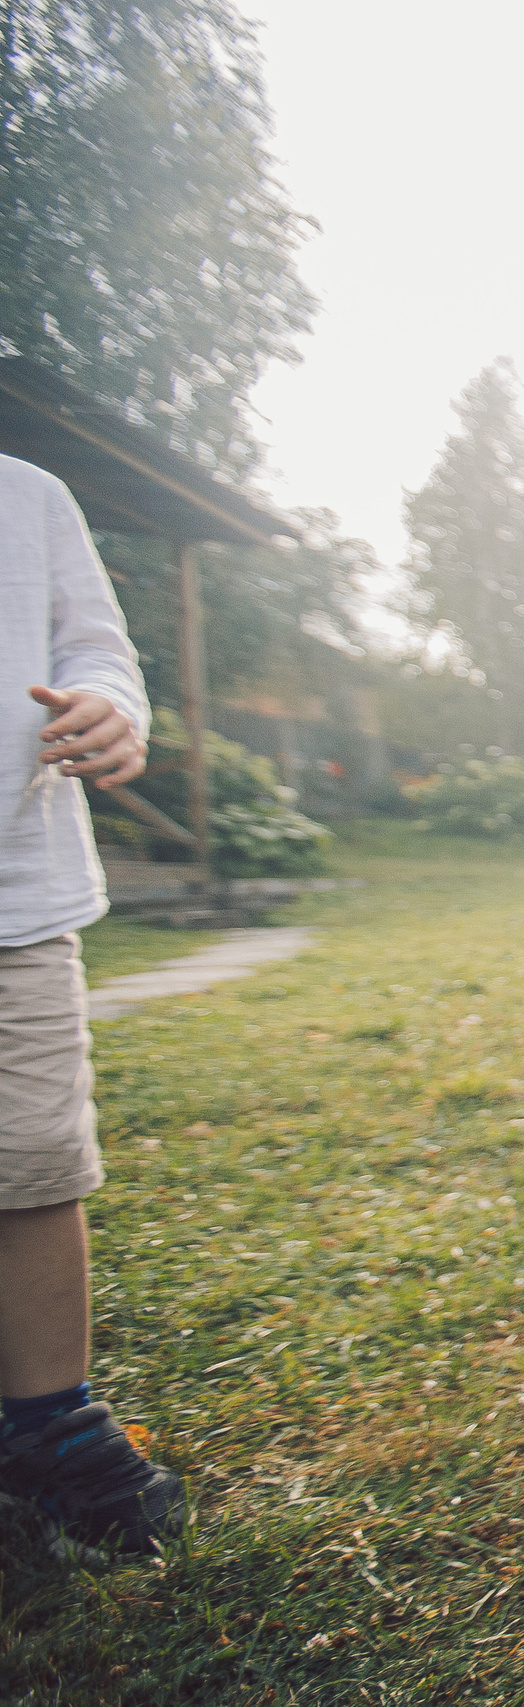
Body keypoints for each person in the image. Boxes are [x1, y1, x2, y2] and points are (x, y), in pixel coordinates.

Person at [0, 454, 185, 1559]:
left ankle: (47, 1420)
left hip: (15, 902)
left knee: (33, 1164)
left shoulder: (29, 496)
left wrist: (111, 707)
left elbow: (95, 646)